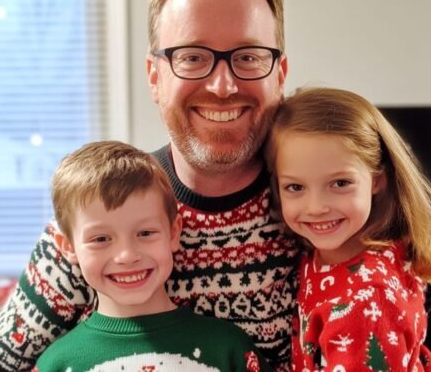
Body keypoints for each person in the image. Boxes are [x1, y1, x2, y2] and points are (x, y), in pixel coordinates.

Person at [0, 0, 431, 372]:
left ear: (279, 73)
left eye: (247, 56)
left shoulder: (330, 197)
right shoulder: (107, 213)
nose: (222, 84)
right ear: (154, 75)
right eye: (192, 57)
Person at [265, 87, 431, 371]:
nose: (316, 207)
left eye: (340, 183)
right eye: (295, 187)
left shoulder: (366, 299)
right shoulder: (329, 256)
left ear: (376, 180)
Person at [34, 141, 268, 372]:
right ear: (69, 247)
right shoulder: (56, 364)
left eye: (145, 233)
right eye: (101, 239)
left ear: (173, 233)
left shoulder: (228, 349)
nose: (127, 256)